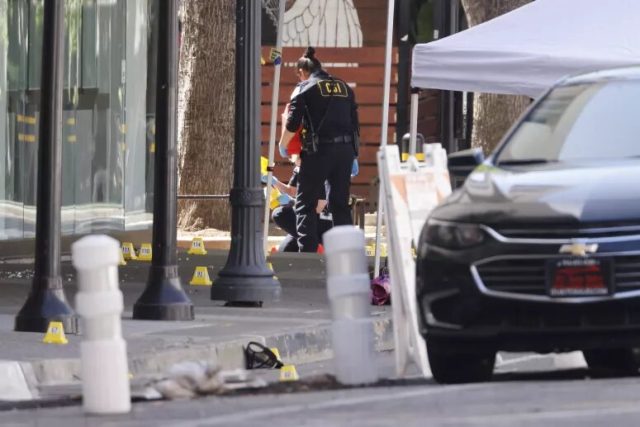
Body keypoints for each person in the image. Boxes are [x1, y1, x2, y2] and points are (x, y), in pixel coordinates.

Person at [278, 47, 359, 252]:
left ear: (302, 72)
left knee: (305, 203)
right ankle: (345, 253)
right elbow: (354, 124)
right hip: (345, 152)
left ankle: (308, 255)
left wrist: (283, 145)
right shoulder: (344, 87)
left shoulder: (304, 88)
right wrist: (354, 154)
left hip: (318, 151)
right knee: (339, 203)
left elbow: (293, 123)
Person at [269, 161, 333, 252]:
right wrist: (274, 182)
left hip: (323, 221)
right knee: (285, 250)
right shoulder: (299, 169)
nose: (293, 160)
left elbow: (320, 207)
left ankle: (315, 245)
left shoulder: (322, 170)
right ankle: (314, 244)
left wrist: (292, 202)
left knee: (279, 213)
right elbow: (291, 191)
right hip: (305, 219)